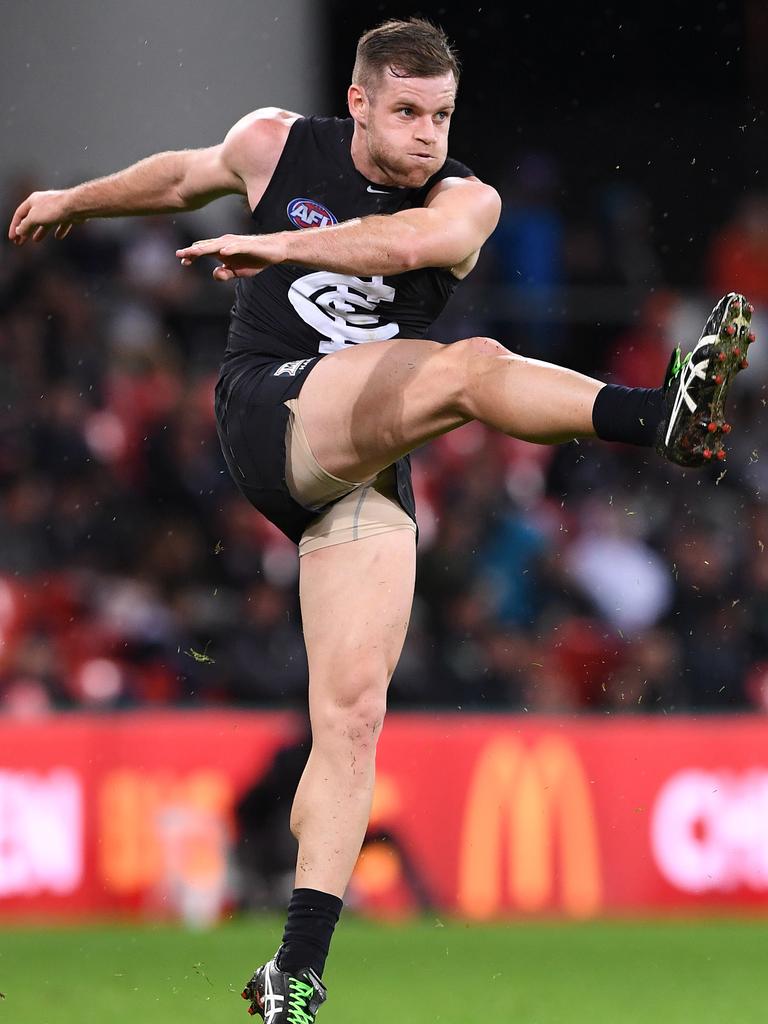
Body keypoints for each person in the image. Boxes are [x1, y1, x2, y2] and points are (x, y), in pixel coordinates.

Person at [8, 16, 755, 1024]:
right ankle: (654, 416)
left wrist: (274, 239)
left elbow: (408, 243)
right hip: (270, 411)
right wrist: (70, 201)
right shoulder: (278, 142)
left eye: (441, 115)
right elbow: (185, 176)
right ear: (357, 103)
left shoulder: (465, 198)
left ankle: (296, 967)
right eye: (405, 112)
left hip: (361, 469)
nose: (425, 136)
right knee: (470, 368)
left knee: (354, 717)